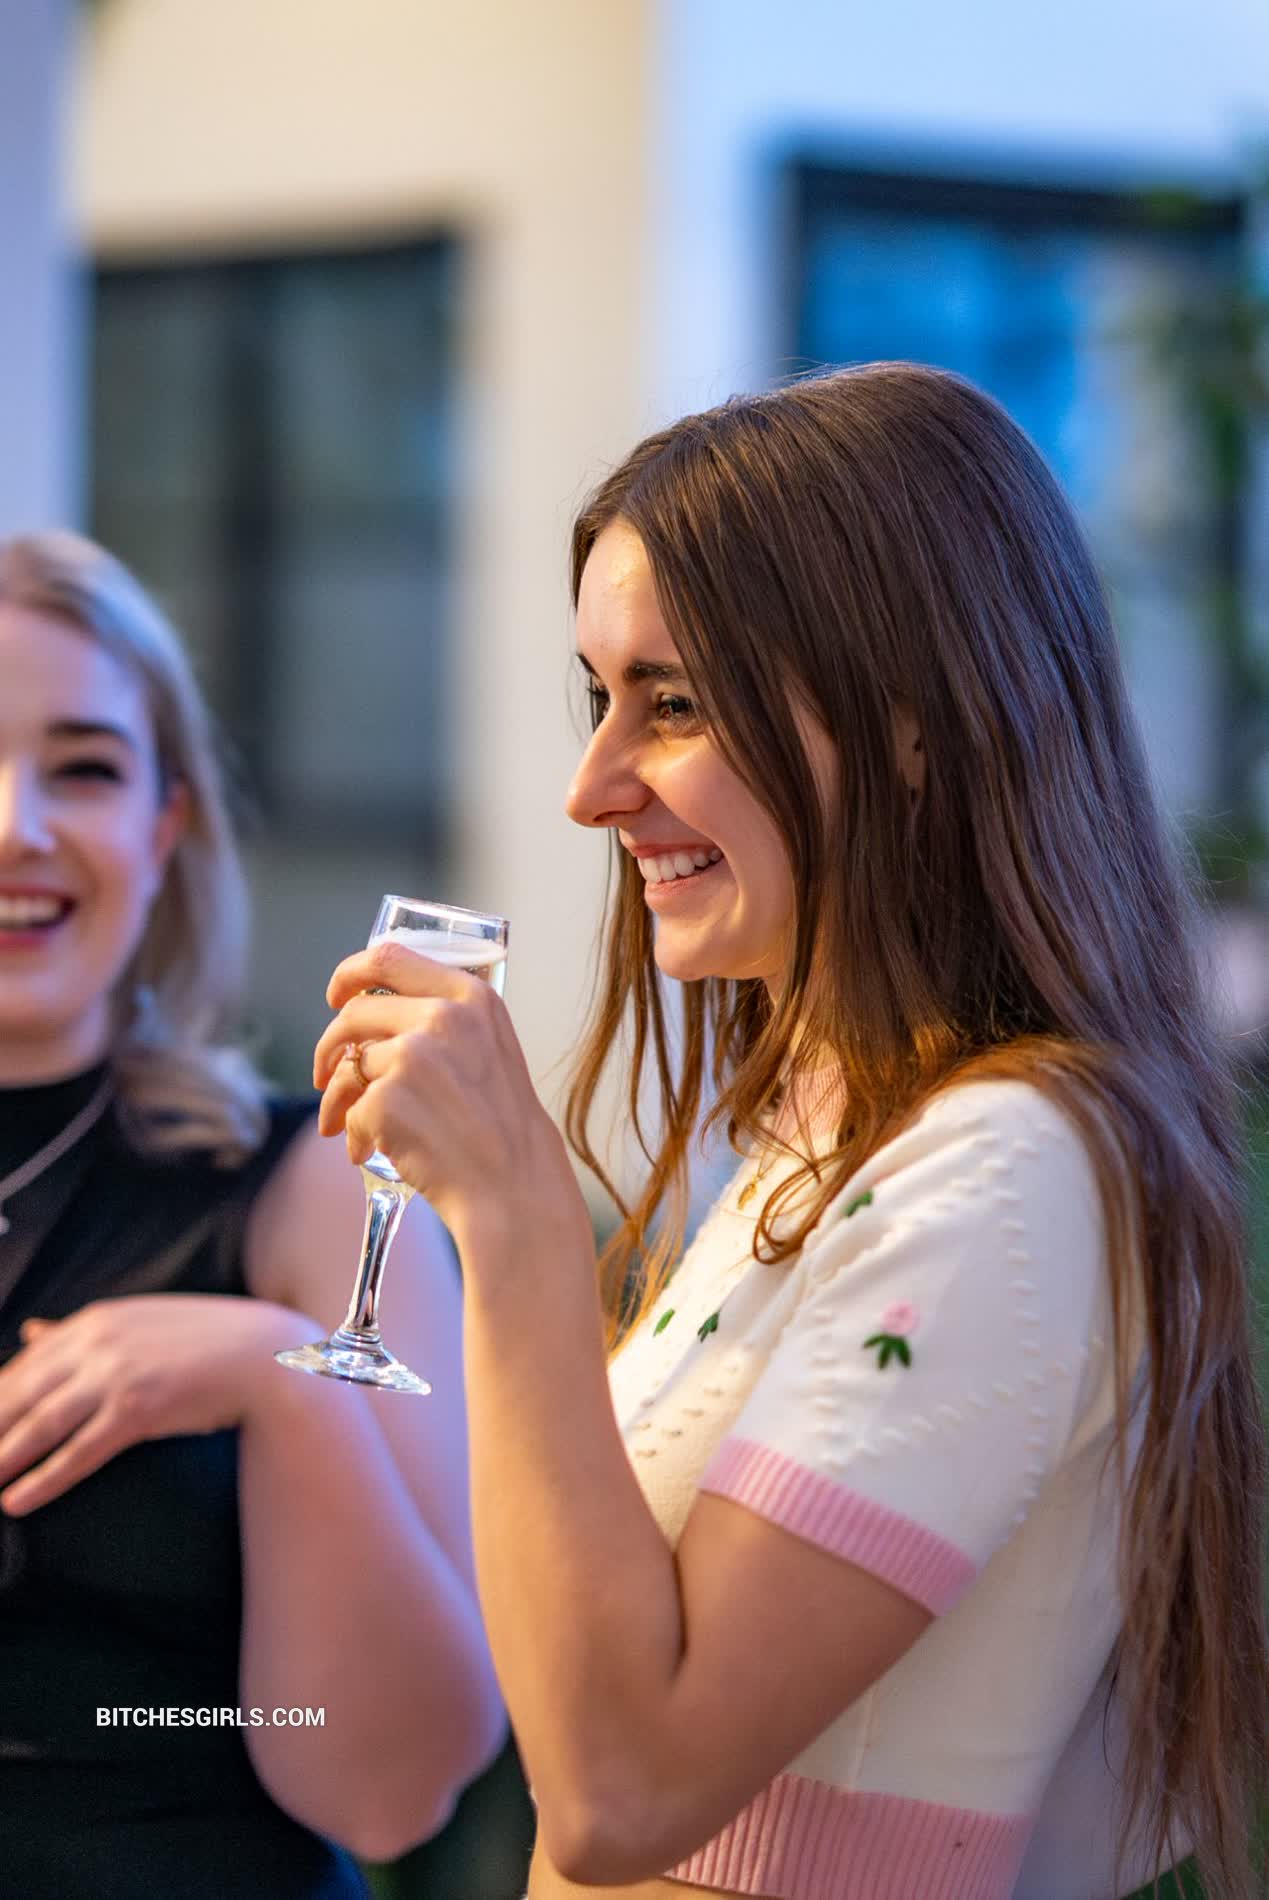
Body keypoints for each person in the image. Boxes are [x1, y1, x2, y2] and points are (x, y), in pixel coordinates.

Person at [314, 364, 1268, 1900]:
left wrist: (517, 1219)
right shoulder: (836, 1145)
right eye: (598, 695)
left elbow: (619, 1794)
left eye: (673, 703)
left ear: (911, 724)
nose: (590, 789)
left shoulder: (1004, 1172)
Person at [0, 531, 505, 1900]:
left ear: (164, 828)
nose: (18, 826)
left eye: (84, 769)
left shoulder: (316, 1185)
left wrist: (278, 1386)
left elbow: (392, 1790)